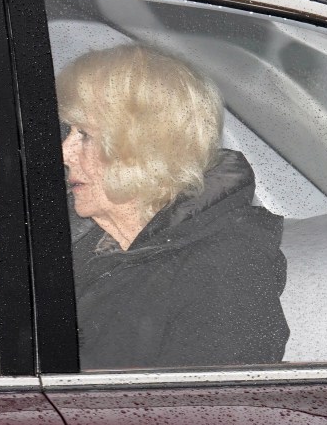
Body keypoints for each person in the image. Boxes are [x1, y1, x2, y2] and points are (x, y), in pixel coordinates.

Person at [58, 44, 289, 370]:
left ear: (145, 146)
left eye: (84, 134)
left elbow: (209, 411)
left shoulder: (224, 269)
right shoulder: (87, 246)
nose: (64, 152)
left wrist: (29, 359)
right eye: (68, 131)